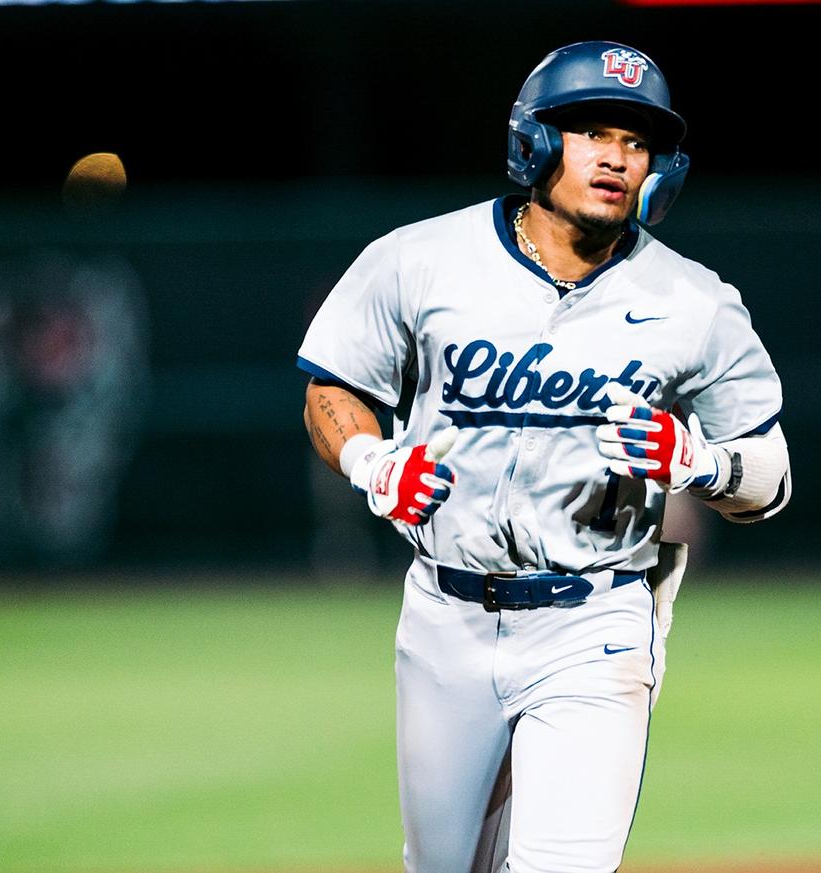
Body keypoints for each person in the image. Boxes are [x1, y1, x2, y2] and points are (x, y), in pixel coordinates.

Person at [296, 40, 791, 873]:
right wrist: (371, 461)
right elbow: (331, 390)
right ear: (533, 141)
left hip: (594, 619)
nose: (617, 157)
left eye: (636, 143)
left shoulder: (695, 302)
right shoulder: (420, 259)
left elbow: (770, 473)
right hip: (443, 617)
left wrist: (696, 460)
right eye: (592, 130)